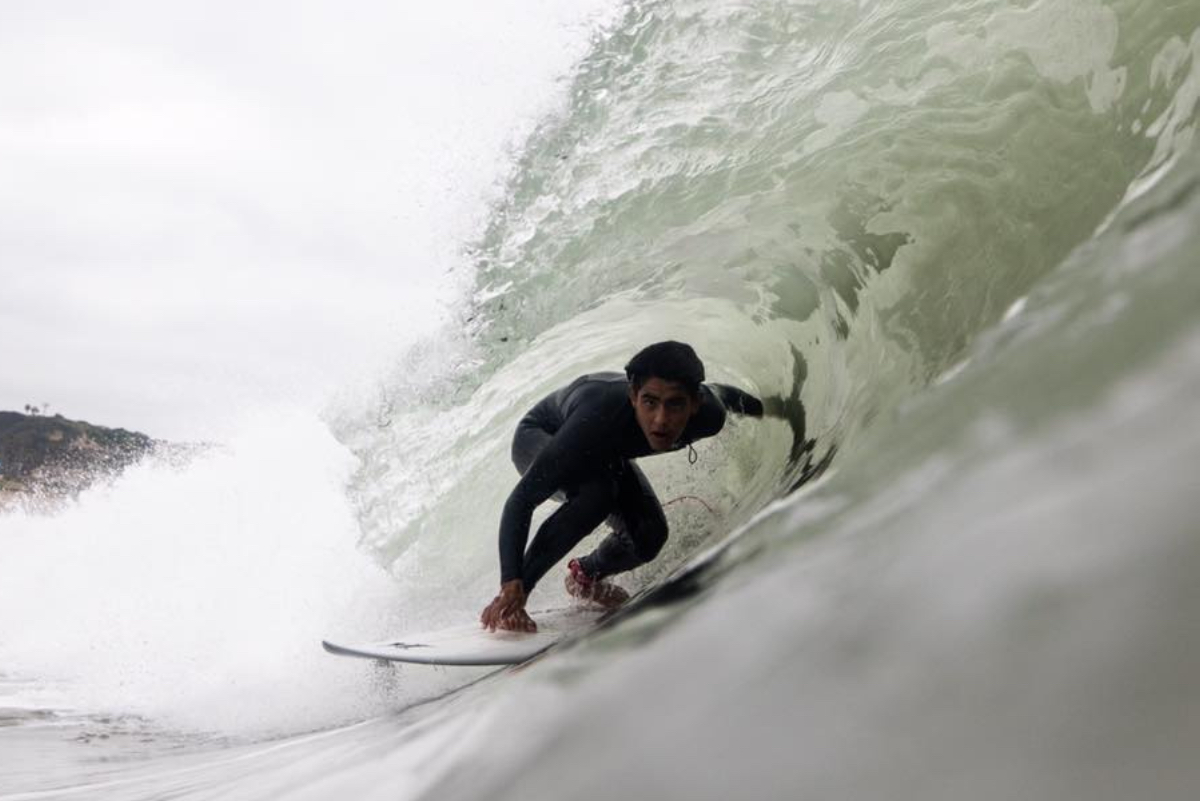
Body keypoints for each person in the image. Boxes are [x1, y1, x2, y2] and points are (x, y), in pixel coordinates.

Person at [480, 341, 763, 632]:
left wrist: (769, 410)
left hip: (604, 452)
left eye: (675, 404)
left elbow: (726, 394)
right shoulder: (598, 416)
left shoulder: (710, 416)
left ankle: (584, 576)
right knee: (598, 493)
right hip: (543, 436)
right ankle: (514, 600)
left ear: (695, 403)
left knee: (649, 536)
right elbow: (522, 501)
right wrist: (513, 582)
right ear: (632, 397)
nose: (661, 420)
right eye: (649, 402)